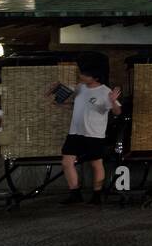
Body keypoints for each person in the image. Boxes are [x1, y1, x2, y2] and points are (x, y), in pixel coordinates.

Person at [48, 60, 122, 205]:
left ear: (96, 77)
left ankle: (96, 195)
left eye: (85, 74)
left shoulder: (105, 91)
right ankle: (75, 193)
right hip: (75, 132)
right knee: (66, 162)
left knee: (96, 163)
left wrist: (113, 101)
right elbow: (77, 105)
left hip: (94, 134)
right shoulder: (80, 87)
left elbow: (117, 111)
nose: (81, 76)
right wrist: (60, 103)